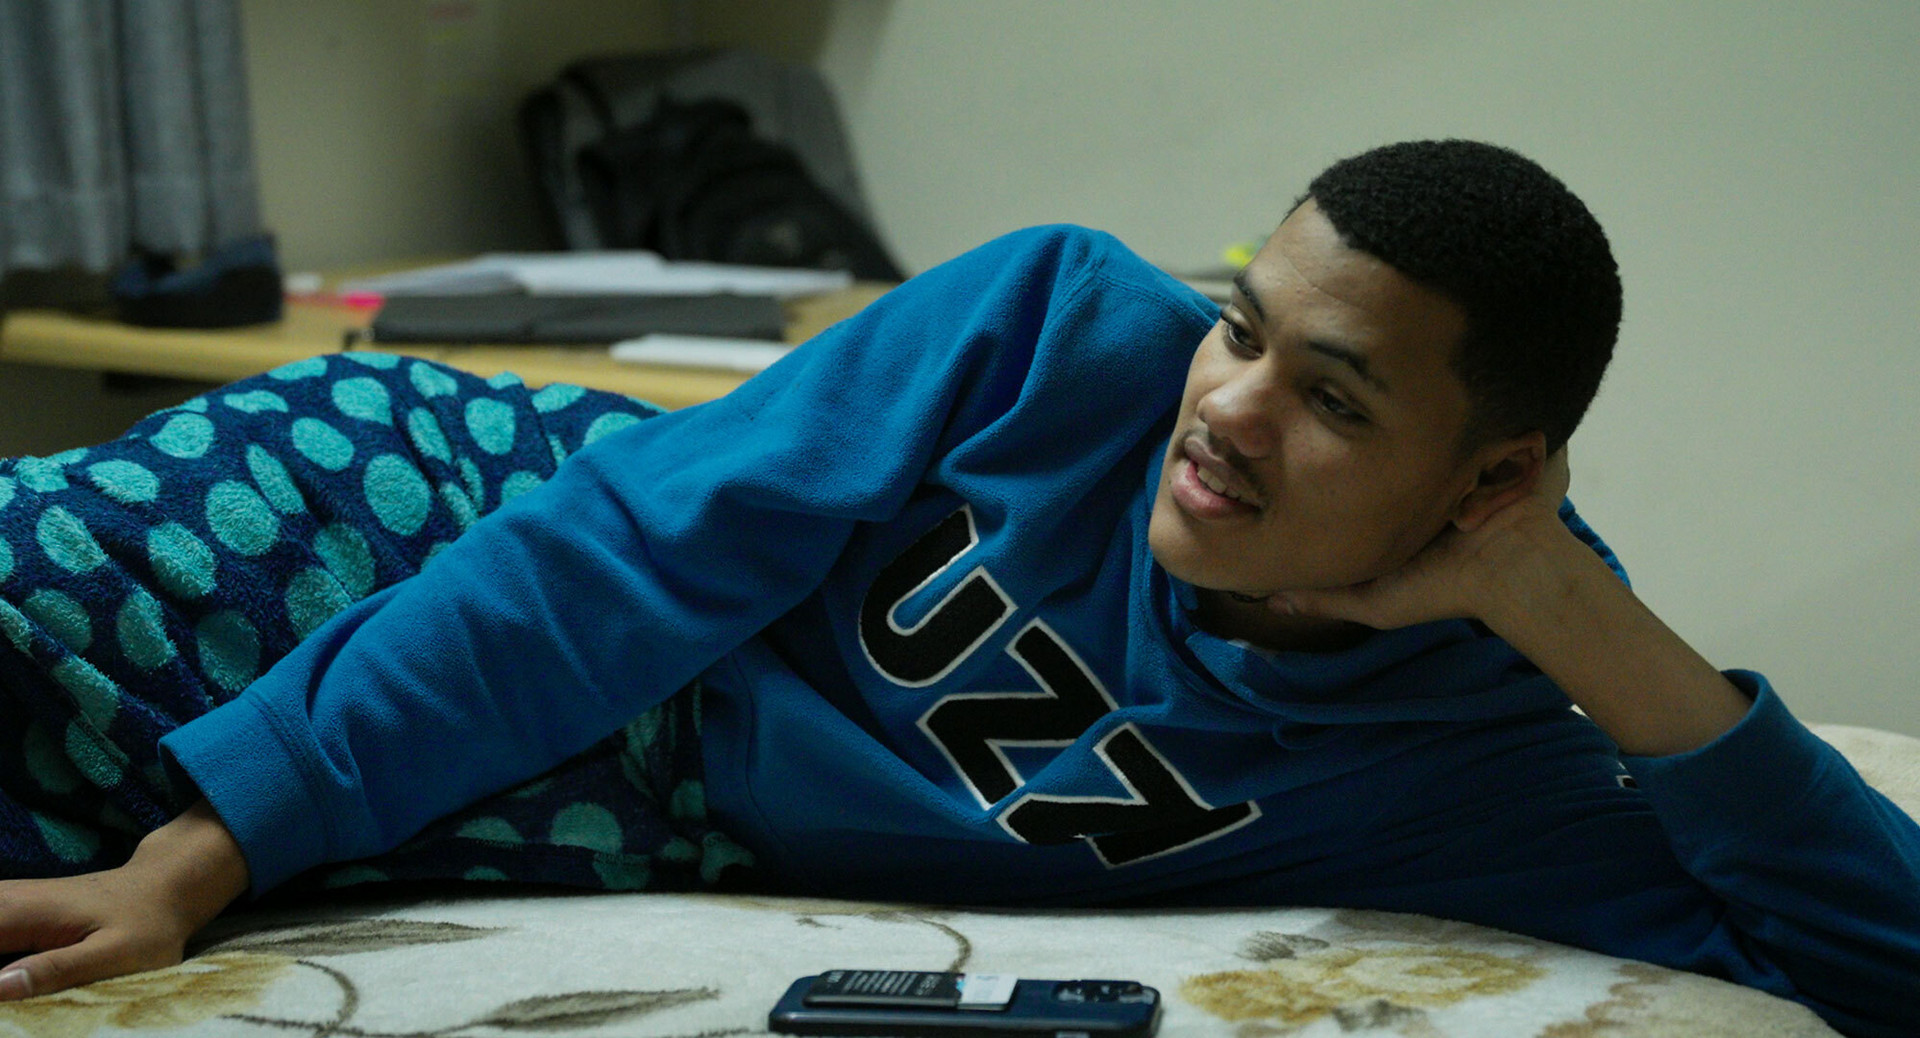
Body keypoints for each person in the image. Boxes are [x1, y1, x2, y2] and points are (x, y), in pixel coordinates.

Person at [1, 140, 1916, 1036]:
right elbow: (613, 559)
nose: (1225, 411)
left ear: (1493, 480)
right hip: (474, 517)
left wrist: (1578, 616)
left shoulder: (1469, 752)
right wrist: (203, 857)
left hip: (613, 797)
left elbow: (1875, 965)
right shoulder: (1054, 325)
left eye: (1331, 399)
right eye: (1242, 326)